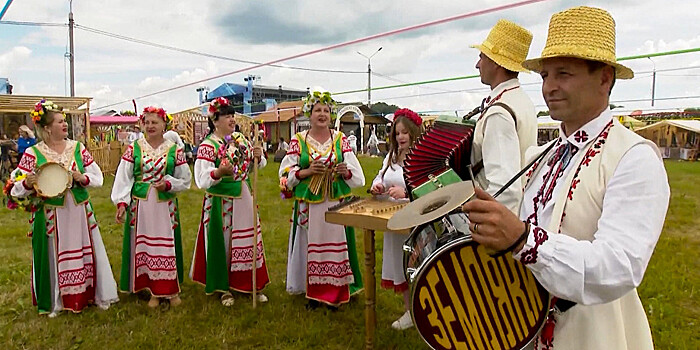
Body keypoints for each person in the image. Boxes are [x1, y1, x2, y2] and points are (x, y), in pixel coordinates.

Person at [461, 7, 670, 349]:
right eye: (544, 75)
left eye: (564, 74)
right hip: (527, 323)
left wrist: (523, 241)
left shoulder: (634, 157)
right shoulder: (546, 155)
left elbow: (620, 266)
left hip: (594, 334)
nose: (549, 87)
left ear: (605, 78)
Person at [10, 100, 119, 316]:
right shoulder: (33, 153)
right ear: (48, 127)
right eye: (60, 122)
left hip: (77, 210)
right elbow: (15, 187)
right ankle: (58, 298)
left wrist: (82, 177)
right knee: (56, 252)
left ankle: (86, 294)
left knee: (83, 249)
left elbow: (97, 177)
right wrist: (27, 183)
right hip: (52, 214)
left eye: (65, 121)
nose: (65, 125)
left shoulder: (77, 148)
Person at [278, 91, 365, 309]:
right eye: (318, 110)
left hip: (334, 201)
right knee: (310, 243)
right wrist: (306, 172)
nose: (322, 114)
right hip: (310, 203)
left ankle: (336, 291)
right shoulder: (298, 140)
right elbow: (284, 172)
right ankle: (313, 292)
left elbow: (357, 175)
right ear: (310, 113)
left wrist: (344, 171)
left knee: (335, 243)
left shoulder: (340, 139)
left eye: (326, 110)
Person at [190, 97, 270, 306]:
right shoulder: (208, 146)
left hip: (243, 195)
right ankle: (224, 288)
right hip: (221, 201)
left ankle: (250, 283)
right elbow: (201, 178)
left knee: (248, 239)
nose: (231, 119)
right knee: (224, 242)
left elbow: (253, 167)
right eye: (227, 116)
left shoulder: (240, 139)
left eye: (232, 115)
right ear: (215, 120)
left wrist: (258, 157)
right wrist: (218, 172)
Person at [111, 107, 191, 308]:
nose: (150, 126)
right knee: (145, 245)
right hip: (142, 206)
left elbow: (185, 179)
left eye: (154, 122)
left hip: (165, 205)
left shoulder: (174, 149)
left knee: (164, 246)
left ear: (165, 124)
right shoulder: (134, 148)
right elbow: (124, 177)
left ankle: (168, 289)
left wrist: (169, 184)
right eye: (146, 122)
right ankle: (148, 287)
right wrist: (121, 202)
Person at [470, 19, 537, 213]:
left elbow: (504, 191)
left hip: (500, 225)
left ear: (497, 64)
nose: (477, 64)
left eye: (482, 57)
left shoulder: (499, 112)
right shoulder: (521, 100)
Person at [369, 108, 422, 329]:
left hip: (415, 220)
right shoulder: (390, 156)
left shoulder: (420, 158)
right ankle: (410, 311)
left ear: (413, 133)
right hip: (391, 218)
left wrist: (406, 194)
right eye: (397, 133)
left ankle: (425, 310)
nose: (400, 137)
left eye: (404, 133)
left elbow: (430, 189)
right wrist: (377, 186)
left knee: (415, 264)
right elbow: (380, 177)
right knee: (400, 265)